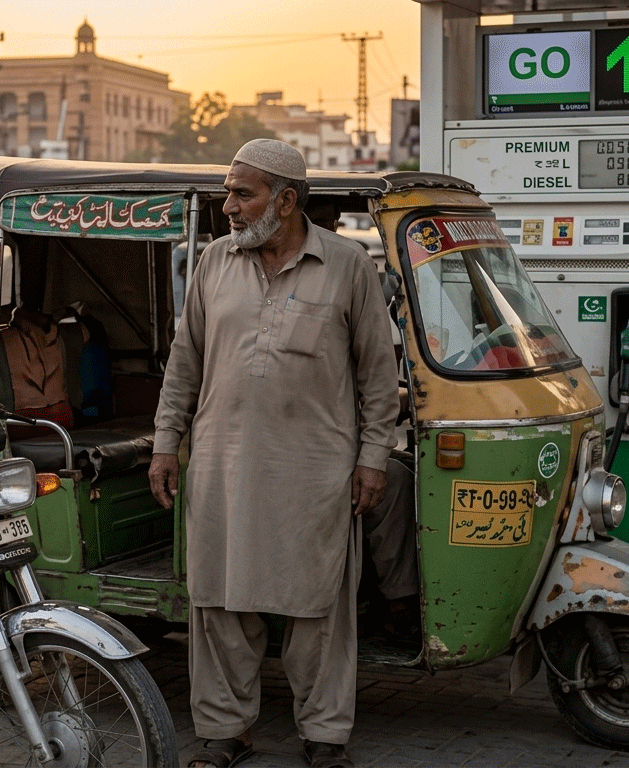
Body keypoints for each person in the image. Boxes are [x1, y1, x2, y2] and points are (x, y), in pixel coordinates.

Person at [149, 138, 401, 768]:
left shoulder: (347, 267)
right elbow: (185, 363)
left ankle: (324, 734)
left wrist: (373, 457)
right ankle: (224, 730)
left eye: (243, 193)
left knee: (319, 610)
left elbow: (377, 375)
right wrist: (164, 445)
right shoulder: (212, 263)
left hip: (314, 475)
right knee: (222, 606)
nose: (228, 206)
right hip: (221, 467)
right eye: (228, 192)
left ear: (287, 201)